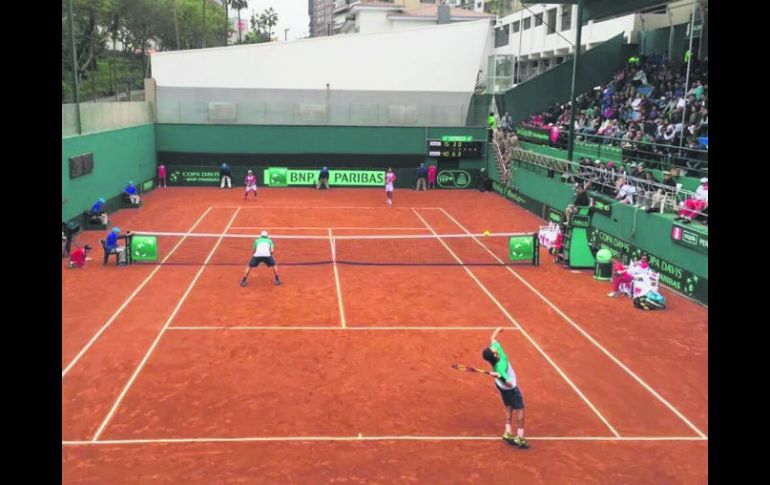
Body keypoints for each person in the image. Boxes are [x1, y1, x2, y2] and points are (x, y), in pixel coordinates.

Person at [481, 327, 529, 449]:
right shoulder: (500, 367)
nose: (495, 348)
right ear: (494, 355)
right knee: (520, 408)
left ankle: (507, 432)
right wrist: (501, 377)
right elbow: (508, 383)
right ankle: (520, 437)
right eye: (493, 350)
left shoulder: (495, 351)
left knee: (508, 405)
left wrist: (497, 330)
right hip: (509, 388)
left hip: (500, 386)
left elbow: (493, 339)